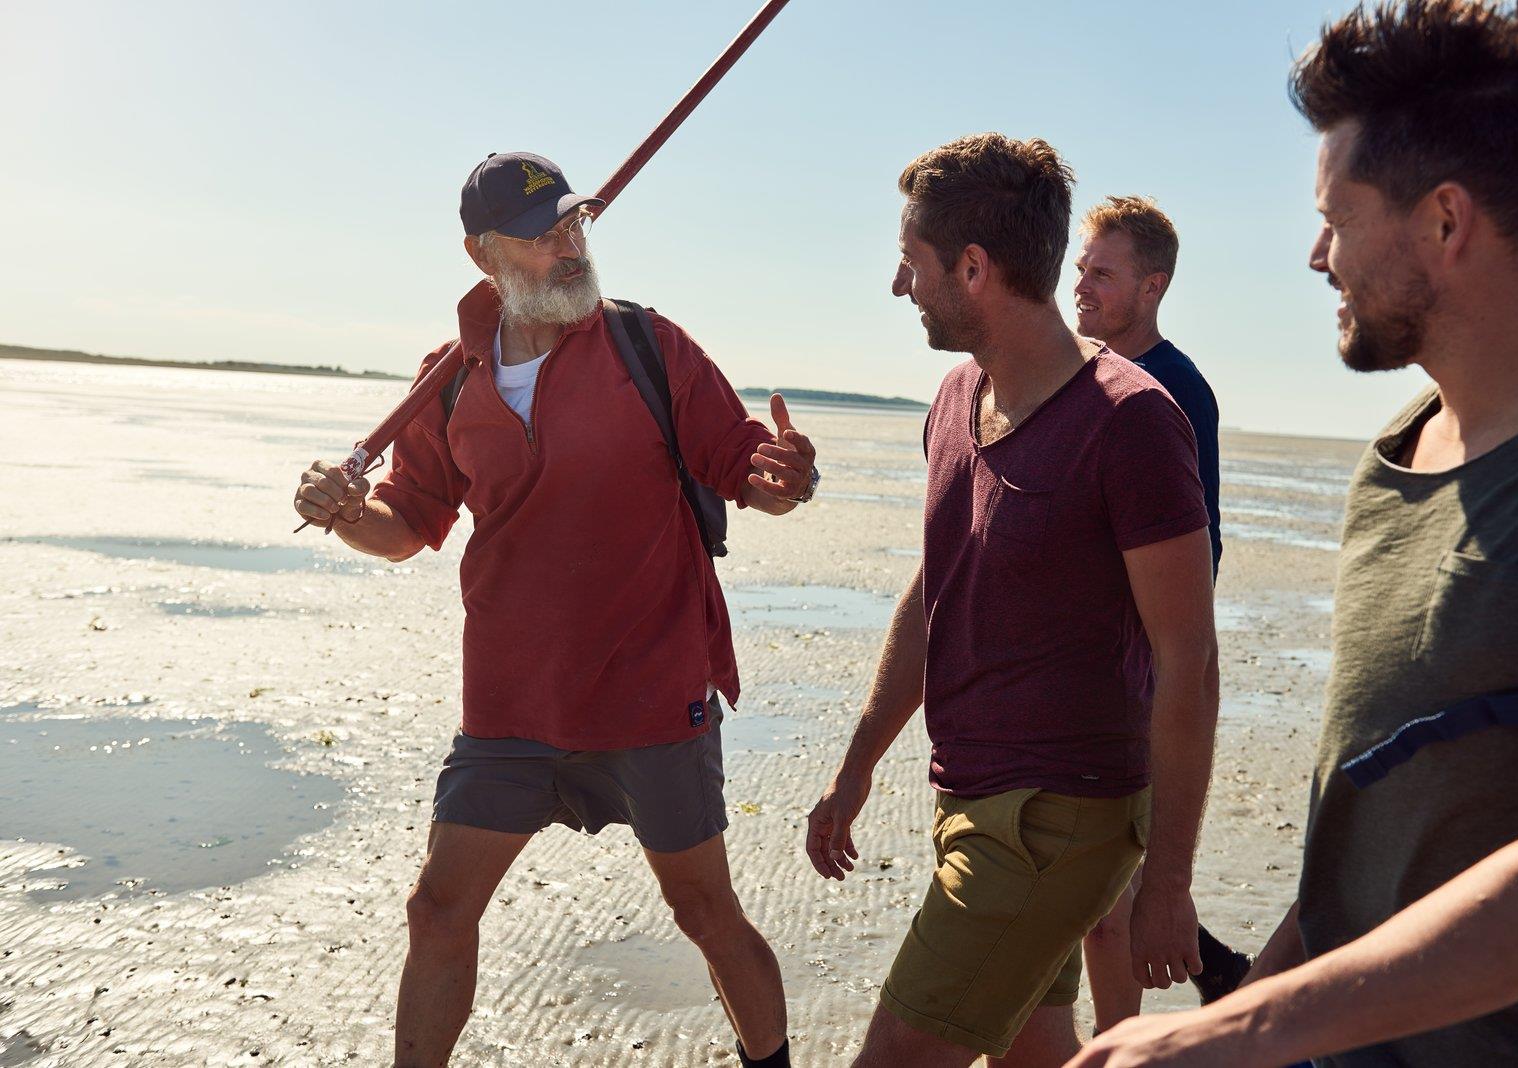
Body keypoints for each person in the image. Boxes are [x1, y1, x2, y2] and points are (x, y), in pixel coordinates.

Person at [1071, 2, 1518, 1064]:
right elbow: (1361, 834)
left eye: (1336, 216)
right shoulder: (1392, 459)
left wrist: (1239, 1028)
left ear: (1444, 222)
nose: (1318, 256)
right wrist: (1246, 1011)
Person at [292, 151, 819, 1068]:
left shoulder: (650, 346)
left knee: (704, 910)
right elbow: (407, 521)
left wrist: (785, 476)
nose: (570, 246)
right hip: (512, 704)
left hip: (653, 691)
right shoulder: (447, 378)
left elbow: (747, 469)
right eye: (542, 236)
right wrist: (345, 517)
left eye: (575, 224)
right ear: (482, 254)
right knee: (437, 909)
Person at [805, 132, 1220, 1067]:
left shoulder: (1134, 422)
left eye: (913, 263)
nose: (901, 285)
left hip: (1057, 821)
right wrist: (859, 762)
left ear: (976, 267)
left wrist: (1169, 881)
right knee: (1031, 1051)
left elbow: (1190, 659)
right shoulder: (956, 397)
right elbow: (935, 590)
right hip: (968, 795)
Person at [1072, 197, 1250, 1027]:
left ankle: (1126, 1041)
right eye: (1080, 267)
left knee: (1111, 903)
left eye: (1101, 273)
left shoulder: (1176, 391)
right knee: (1097, 895)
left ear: (1154, 285)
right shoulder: (1073, 372)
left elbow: (1198, 555)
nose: (1081, 284)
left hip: (1138, 677)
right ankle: (1214, 970)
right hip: (1079, 676)